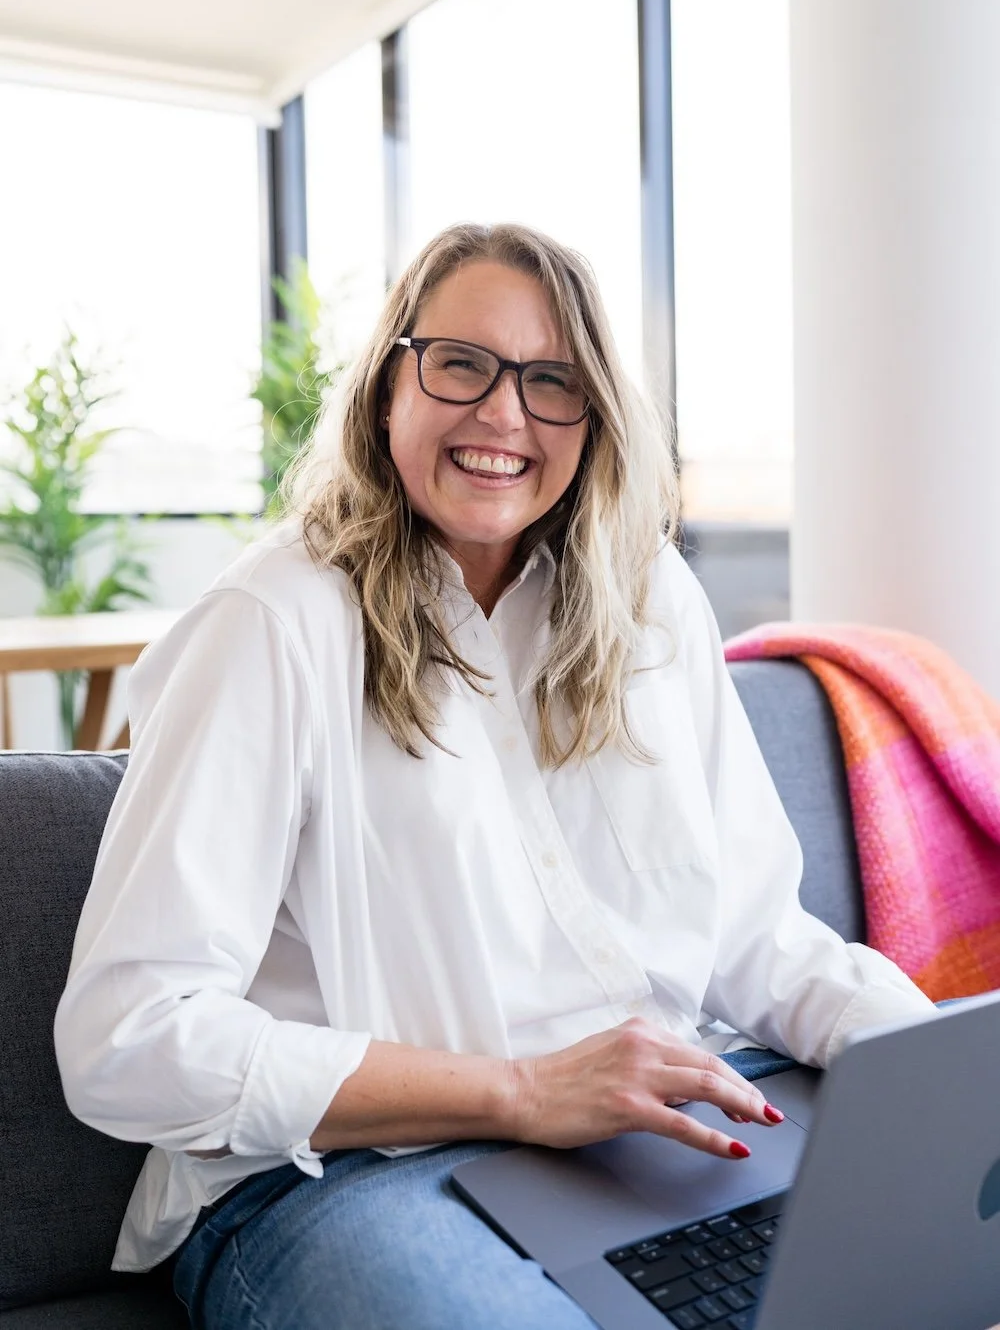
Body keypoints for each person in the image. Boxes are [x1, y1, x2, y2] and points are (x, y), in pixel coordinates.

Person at [54, 223, 934, 1330]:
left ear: (595, 414)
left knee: (916, 1271)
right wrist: (522, 1092)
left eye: (550, 380)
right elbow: (128, 1037)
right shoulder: (271, 625)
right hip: (349, 1175)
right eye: (460, 364)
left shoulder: (648, 598)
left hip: (651, 1128)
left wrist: (933, 1077)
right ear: (389, 388)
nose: (503, 414)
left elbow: (755, 937)